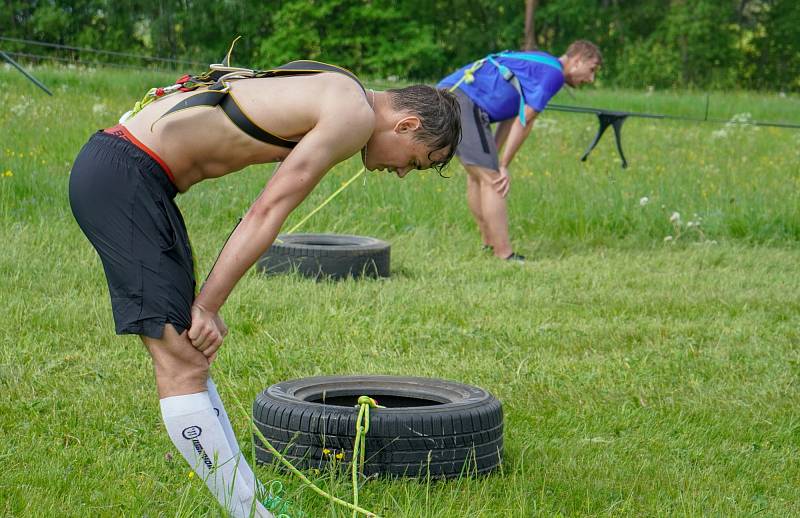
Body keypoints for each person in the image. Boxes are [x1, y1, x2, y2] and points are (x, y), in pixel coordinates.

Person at [69, 57, 460, 517]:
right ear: (406, 123)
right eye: (413, 162)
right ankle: (251, 513)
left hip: (131, 173)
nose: (400, 173)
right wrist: (208, 306)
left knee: (189, 358)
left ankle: (251, 503)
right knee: (181, 360)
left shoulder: (343, 87)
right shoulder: (353, 116)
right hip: (124, 176)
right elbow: (267, 211)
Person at [438, 40, 602, 261]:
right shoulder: (553, 74)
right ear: (577, 60)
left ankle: (489, 243)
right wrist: (503, 166)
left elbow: (514, 115)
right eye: (591, 70)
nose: (590, 79)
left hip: (451, 96)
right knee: (494, 180)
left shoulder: (542, 63)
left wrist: (496, 156)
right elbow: (526, 121)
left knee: (480, 176)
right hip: (463, 101)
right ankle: (505, 254)